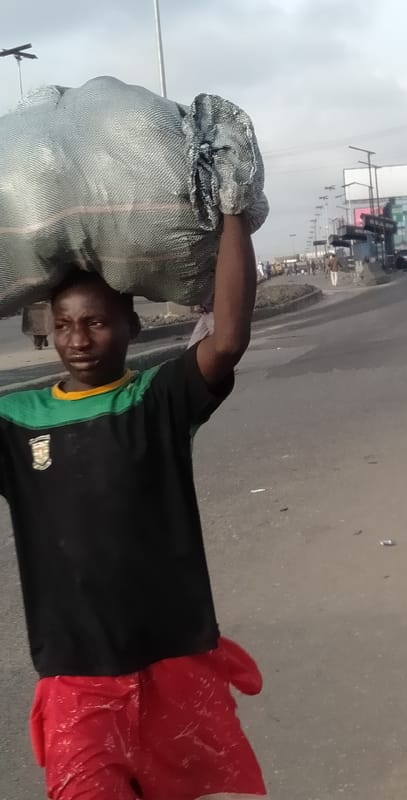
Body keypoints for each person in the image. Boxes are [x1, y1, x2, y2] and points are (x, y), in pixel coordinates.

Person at [0, 214, 266, 798]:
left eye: (95, 322)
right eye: (64, 324)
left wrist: (231, 215)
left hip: (170, 656)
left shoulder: (157, 398)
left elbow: (227, 339)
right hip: (75, 671)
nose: (77, 339)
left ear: (132, 326)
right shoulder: (17, 421)